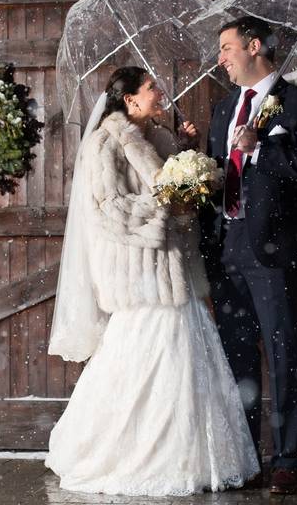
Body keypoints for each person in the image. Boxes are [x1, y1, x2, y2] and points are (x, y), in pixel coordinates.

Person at [45, 66, 260, 497]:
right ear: (129, 100)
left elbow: (173, 184)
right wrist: (166, 201)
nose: (160, 93)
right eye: (151, 88)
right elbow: (110, 209)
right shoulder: (104, 143)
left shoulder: (159, 138)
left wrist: (187, 154)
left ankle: (191, 459)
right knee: (139, 367)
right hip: (141, 274)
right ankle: (128, 454)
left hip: (177, 268)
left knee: (188, 366)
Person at [201, 16, 297, 495]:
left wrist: (261, 152)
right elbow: (216, 178)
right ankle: (247, 457)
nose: (221, 58)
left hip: (274, 250)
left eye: (226, 48)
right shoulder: (220, 111)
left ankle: (288, 461)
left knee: (283, 353)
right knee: (238, 359)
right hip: (225, 248)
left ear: (255, 46)